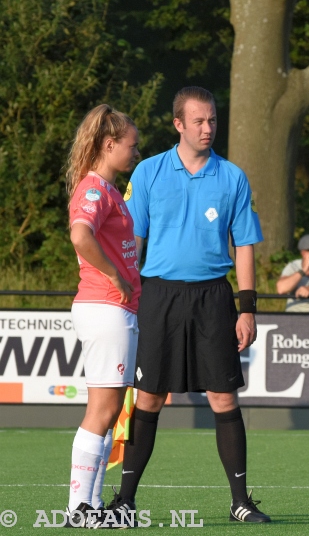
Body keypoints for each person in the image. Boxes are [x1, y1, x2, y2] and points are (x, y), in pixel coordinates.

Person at [107, 87, 269, 524]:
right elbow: (130, 242)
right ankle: (124, 501)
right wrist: (125, 295)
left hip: (214, 297)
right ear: (178, 124)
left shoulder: (233, 177)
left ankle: (240, 501)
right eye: (198, 121)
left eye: (212, 120)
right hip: (157, 296)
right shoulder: (147, 172)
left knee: (222, 396)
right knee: (150, 398)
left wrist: (248, 307)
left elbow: (246, 245)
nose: (207, 128)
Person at [64, 104, 141, 527]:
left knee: (110, 410)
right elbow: (80, 234)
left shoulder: (109, 190)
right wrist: (115, 275)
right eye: (131, 145)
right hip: (106, 308)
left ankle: (90, 507)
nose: (135, 152)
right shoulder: (94, 189)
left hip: (116, 310)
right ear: (109, 145)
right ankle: (80, 508)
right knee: (102, 409)